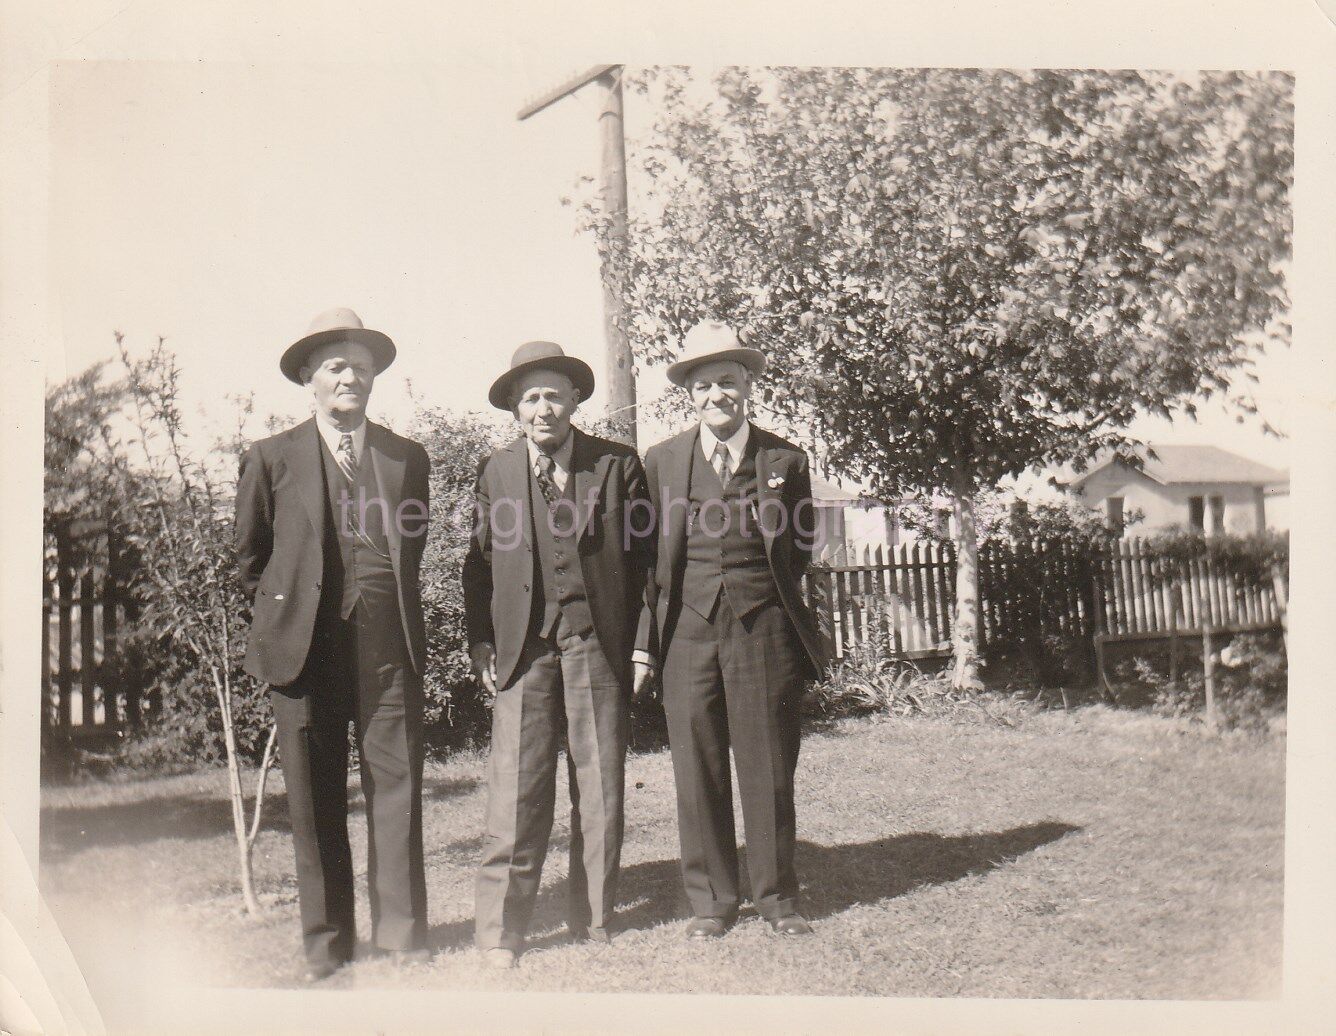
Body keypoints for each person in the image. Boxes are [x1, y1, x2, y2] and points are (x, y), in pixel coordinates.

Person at [236, 307, 432, 981]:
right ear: (308, 380)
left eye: (361, 365)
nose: (351, 376)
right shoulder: (271, 458)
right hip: (307, 653)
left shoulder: (406, 457)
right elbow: (251, 561)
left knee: (398, 789)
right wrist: (289, 623)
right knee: (315, 801)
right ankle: (327, 943)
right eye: (335, 366)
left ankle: (403, 935)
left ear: (377, 376)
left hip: (387, 648)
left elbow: (411, 549)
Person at [463, 341, 655, 969]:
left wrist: (643, 646)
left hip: (597, 642)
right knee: (515, 792)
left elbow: (647, 568)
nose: (542, 408)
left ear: (574, 400)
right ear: (515, 409)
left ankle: (594, 921)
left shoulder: (617, 465)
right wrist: (482, 641)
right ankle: (501, 934)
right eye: (530, 397)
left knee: (599, 787)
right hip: (524, 650)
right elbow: (480, 568)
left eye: (553, 394)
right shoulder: (496, 472)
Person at [636, 319, 827, 940]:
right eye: (703, 385)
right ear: (687, 393)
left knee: (767, 762)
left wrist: (758, 598)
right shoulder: (661, 461)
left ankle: (775, 898)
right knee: (697, 767)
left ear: (747, 386)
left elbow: (798, 549)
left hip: (762, 628)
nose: (716, 394)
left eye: (727, 382)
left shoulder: (784, 459)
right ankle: (712, 903)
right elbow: (648, 558)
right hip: (686, 632)